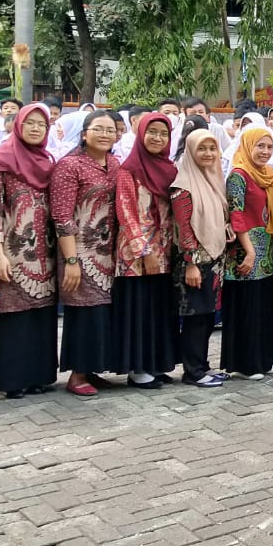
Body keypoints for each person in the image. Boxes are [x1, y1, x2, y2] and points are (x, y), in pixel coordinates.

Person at [0, 104, 58, 399]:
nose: (36, 128)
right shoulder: (1, 160)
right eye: (31, 123)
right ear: (18, 125)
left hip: (46, 251)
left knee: (41, 313)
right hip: (13, 249)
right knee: (13, 315)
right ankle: (11, 380)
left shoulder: (47, 161)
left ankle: (39, 376)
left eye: (42, 124)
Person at [51, 110, 122, 398]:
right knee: (84, 313)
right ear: (84, 134)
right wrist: (71, 261)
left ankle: (92, 368)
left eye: (110, 130)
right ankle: (77, 374)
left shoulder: (115, 164)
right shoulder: (69, 166)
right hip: (80, 251)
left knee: (102, 313)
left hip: (109, 252)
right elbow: (62, 216)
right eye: (98, 129)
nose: (105, 134)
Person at [113, 112, 180, 389]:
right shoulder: (129, 169)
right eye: (152, 132)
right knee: (139, 311)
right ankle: (138, 369)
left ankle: (156, 364)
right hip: (136, 256)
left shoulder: (170, 169)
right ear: (141, 134)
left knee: (159, 309)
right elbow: (126, 212)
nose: (157, 138)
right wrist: (145, 251)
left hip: (165, 252)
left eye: (163, 133)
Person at [170, 129, 230, 387]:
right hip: (194, 263)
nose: (208, 154)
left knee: (207, 316)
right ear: (190, 151)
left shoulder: (213, 180)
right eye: (201, 149)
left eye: (212, 148)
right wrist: (191, 263)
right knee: (195, 317)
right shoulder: (183, 186)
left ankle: (202, 366)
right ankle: (193, 371)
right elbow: (183, 228)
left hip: (214, 261)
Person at [222, 127, 273, 380]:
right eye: (260, 146)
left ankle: (261, 360)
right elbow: (236, 214)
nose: (265, 152)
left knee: (261, 306)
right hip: (245, 249)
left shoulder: (267, 174)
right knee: (245, 306)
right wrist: (248, 251)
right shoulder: (239, 175)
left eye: (269, 147)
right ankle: (244, 364)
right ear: (247, 146)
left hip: (264, 247)